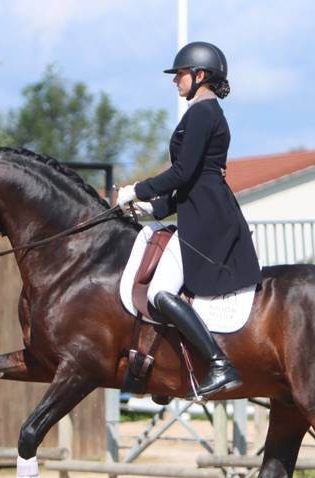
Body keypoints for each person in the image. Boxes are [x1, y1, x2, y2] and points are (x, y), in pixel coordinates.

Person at [116, 41, 261, 396]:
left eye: (180, 73)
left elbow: (182, 172)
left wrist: (136, 190)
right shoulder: (205, 112)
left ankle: (218, 363)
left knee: (160, 291)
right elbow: (192, 180)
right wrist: (155, 209)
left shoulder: (202, 113)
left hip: (207, 221)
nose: (175, 80)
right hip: (203, 210)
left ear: (200, 75)